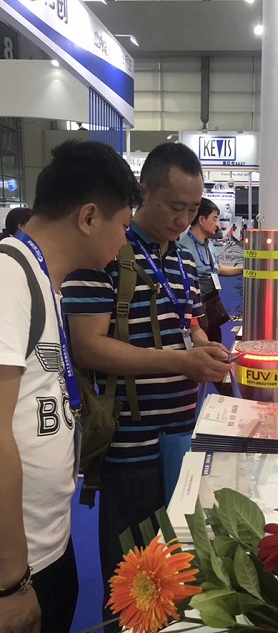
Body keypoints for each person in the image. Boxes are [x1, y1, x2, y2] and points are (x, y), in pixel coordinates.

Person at [61, 142, 231, 627]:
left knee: (177, 570)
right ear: (143, 192)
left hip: (181, 438)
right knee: (131, 580)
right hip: (129, 447)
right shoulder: (104, 252)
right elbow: (88, 347)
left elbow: (190, 322)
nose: (183, 219)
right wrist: (181, 362)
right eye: (174, 206)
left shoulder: (183, 259)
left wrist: (204, 347)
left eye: (193, 209)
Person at [0, 140, 139, 633]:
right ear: (88, 217)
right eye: (123, 226)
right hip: (17, 567)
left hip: (48, 544)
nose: (124, 241)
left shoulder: (45, 281)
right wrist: (10, 584)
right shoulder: (9, 277)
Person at [179, 197, 243, 343]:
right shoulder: (183, 248)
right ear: (202, 220)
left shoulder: (209, 245)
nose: (218, 225)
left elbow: (218, 269)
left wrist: (242, 270)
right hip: (196, 311)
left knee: (216, 342)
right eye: (214, 219)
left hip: (212, 305)